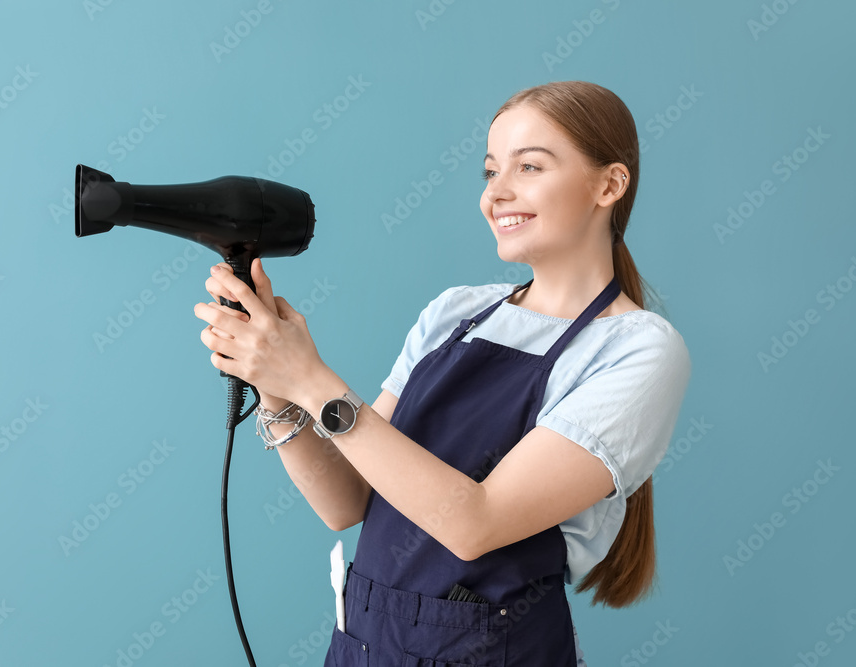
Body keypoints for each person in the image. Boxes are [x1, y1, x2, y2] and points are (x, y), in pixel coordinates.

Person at [194, 80, 692, 667]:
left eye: (529, 167)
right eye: (490, 172)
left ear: (609, 183)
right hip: (366, 646)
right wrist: (275, 386)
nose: (496, 194)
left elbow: (475, 523)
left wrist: (308, 378)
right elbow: (348, 501)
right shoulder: (454, 313)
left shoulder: (636, 348)